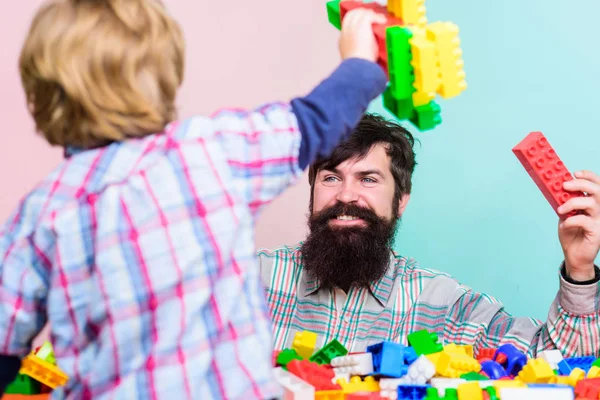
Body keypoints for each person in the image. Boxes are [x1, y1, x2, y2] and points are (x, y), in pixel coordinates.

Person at [0, 0, 389, 398]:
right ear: (165, 77)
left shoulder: (43, 210)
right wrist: (361, 59)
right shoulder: (210, 151)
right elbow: (316, 120)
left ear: (41, 96)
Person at [258, 113, 600, 358]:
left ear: (401, 201)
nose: (346, 195)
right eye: (331, 178)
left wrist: (580, 270)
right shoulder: (251, 281)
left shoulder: (443, 306)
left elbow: (563, 361)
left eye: (368, 179)